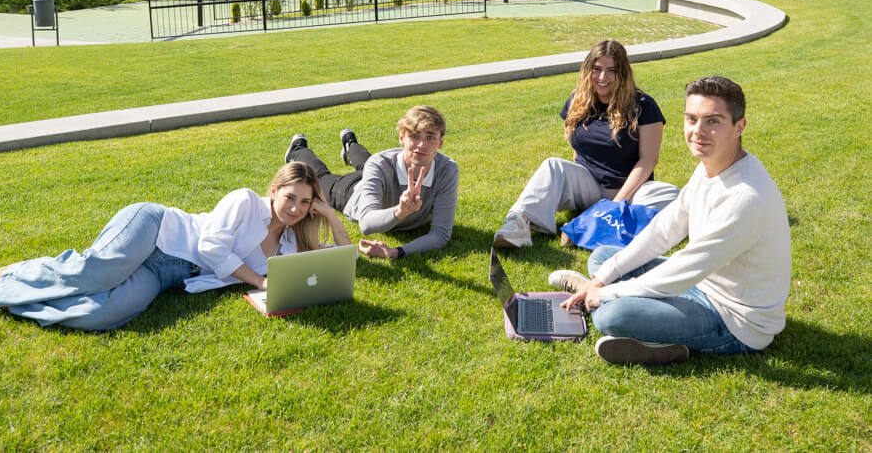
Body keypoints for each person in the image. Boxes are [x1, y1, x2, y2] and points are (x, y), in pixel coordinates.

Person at [555, 76, 791, 365]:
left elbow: (685, 268)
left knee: (611, 315)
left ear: (739, 127)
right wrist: (604, 280)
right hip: (701, 282)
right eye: (692, 119)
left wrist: (607, 295)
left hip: (734, 318)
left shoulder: (745, 197)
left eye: (713, 121)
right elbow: (664, 229)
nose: (698, 131)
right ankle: (600, 292)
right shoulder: (709, 167)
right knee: (604, 259)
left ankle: (652, 336)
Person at [0, 162, 350, 331]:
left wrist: (331, 217)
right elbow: (210, 247)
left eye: (304, 202)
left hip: (167, 274)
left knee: (102, 314)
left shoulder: (290, 242)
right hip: (157, 230)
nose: (295, 208)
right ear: (273, 191)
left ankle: (0, 297)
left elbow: (340, 261)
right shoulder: (244, 202)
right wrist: (259, 281)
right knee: (93, 275)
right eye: (290, 197)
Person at [493, 39, 678, 248]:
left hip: (630, 191)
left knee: (670, 195)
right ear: (588, 70)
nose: (602, 77)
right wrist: (574, 184)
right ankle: (517, 226)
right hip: (589, 186)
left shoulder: (644, 105)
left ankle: (586, 227)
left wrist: (616, 204)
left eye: (611, 71)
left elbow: (648, 161)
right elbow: (577, 149)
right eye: (596, 69)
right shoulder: (577, 100)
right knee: (553, 166)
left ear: (623, 73)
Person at [285, 105, 458, 259]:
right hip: (353, 192)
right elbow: (367, 223)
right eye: (414, 136)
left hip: (376, 175)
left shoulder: (447, 170)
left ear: (441, 142)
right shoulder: (380, 164)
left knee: (367, 164)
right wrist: (401, 210)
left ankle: (350, 145)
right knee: (323, 178)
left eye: (430, 137)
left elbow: (440, 234)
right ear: (401, 138)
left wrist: (396, 252)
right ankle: (298, 150)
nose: (421, 145)